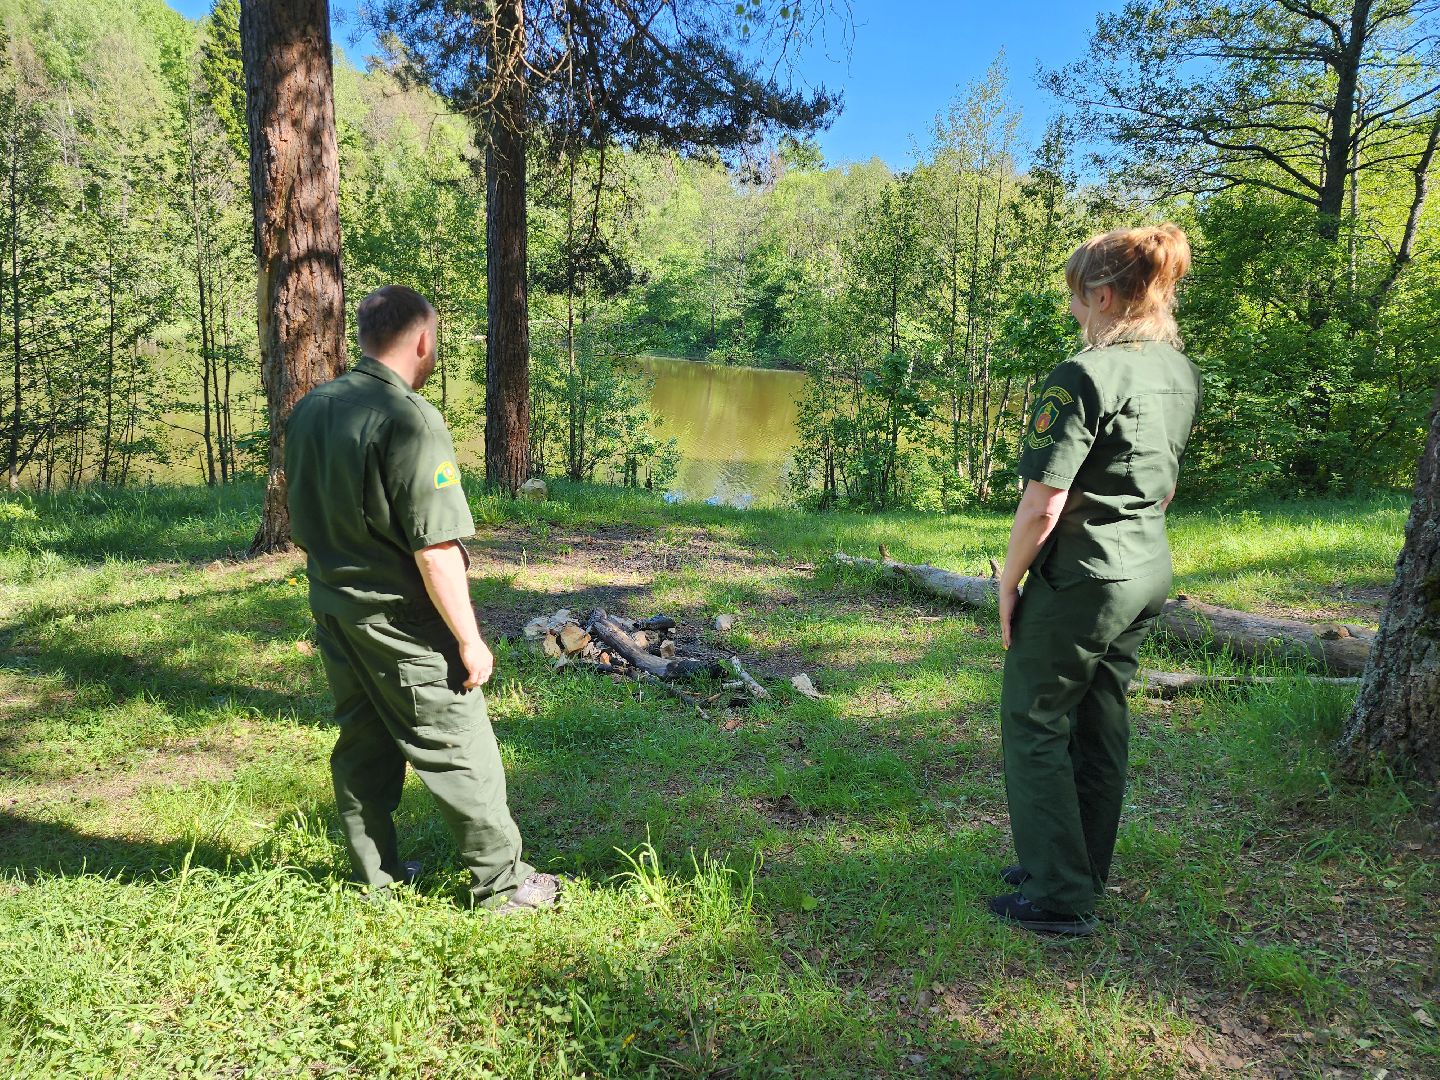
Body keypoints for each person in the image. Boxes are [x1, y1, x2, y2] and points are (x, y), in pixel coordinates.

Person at [285, 284, 557, 913]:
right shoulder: (410, 418)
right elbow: (435, 551)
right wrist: (467, 638)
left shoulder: (314, 406)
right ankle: (505, 886)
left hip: (334, 606)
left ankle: (375, 872)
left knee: (363, 739)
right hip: (399, 618)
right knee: (459, 743)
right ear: (423, 341)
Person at [989, 225, 1200, 936]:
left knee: (1034, 716)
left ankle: (1058, 896)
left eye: (1077, 299)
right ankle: (1077, 866)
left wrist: (1009, 582)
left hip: (1083, 576)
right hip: (1146, 568)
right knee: (1100, 717)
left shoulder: (1084, 374)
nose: (1074, 312)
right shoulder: (1178, 371)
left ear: (1103, 295)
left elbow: (1043, 503)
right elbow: (1163, 489)